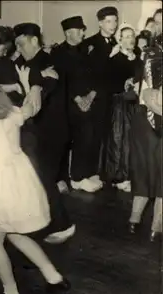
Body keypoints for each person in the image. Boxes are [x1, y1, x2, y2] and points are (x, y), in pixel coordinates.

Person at [0, 80, 70, 294]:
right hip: (21, 180)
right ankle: (53, 277)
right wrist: (30, 87)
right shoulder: (13, 114)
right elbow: (32, 108)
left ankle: (11, 292)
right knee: (14, 233)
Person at [13, 23, 75, 244]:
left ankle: (63, 225)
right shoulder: (21, 62)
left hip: (53, 131)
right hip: (34, 132)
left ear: (34, 41)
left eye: (22, 44)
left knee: (45, 179)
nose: (19, 49)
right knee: (38, 178)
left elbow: (49, 82)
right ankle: (45, 223)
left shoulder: (52, 60)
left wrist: (35, 84)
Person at [51, 16, 102, 193]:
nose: (83, 33)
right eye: (79, 30)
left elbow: (95, 75)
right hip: (69, 103)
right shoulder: (58, 53)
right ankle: (75, 178)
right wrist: (79, 99)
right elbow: (62, 81)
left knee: (88, 138)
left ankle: (85, 174)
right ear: (68, 33)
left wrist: (91, 95)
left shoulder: (86, 50)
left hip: (88, 101)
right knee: (70, 141)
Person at [99, 23, 141, 192]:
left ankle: (129, 175)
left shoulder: (137, 58)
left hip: (133, 104)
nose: (132, 40)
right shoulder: (114, 59)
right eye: (128, 36)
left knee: (131, 140)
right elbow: (108, 82)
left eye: (133, 36)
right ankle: (118, 177)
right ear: (120, 40)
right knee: (119, 140)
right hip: (119, 105)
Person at [81, 6, 119, 189]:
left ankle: (103, 173)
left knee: (109, 137)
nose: (113, 25)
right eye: (109, 21)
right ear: (100, 23)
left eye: (115, 20)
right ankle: (89, 173)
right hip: (96, 99)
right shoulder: (91, 43)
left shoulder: (116, 42)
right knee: (93, 137)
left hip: (113, 99)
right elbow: (92, 73)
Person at [128, 41, 162, 241]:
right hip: (148, 120)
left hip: (144, 120)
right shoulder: (151, 57)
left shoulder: (149, 56)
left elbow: (142, 91)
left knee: (145, 172)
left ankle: (135, 221)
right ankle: (155, 227)